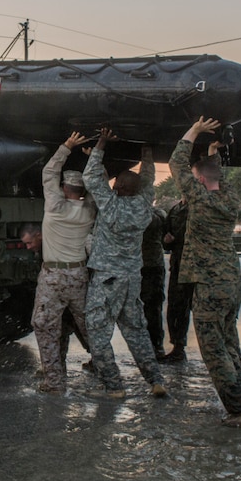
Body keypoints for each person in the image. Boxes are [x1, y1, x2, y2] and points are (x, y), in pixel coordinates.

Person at [169, 117, 241, 428]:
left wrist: (192, 131)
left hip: (209, 286)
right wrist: (212, 153)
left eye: (196, 178)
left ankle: (239, 410)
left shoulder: (201, 201)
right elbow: (214, 175)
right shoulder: (229, 199)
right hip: (232, 283)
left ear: (201, 183)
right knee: (230, 343)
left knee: (213, 350)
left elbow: (177, 164)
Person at [83, 127, 167, 399]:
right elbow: (148, 179)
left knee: (97, 333)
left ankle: (114, 386)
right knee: (137, 332)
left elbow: (90, 177)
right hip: (132, 280)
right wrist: (147, 151)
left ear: (118, 187)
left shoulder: (111, 206)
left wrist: (102, 143)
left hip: (107, 279)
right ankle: (155, 380)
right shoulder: (145, 207)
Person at [27, 133, 97, 393]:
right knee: (89, 326)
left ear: (65, 188)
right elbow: (95, 189)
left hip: (53, 277)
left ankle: (54, 381)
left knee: (45, 325)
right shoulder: (89, 209)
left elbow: (49, 172)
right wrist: (94, 161)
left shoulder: (55, 205)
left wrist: (66, 146)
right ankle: (106, 371)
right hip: (79, 275)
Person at [160, 198, 194, 363]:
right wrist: (166, 241)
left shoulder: (200, 207)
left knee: (205, 312)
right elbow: (166, 237)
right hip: (179, 265)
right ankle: (178, 347)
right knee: (176, 308)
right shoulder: (175, 209)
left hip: (196, 265)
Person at [141, 206, 168, 361]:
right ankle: (155, 346)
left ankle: (155, 346)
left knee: (151, 308)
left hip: (149, 266)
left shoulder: (155, 215)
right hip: (149, 265)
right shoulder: (159, 214)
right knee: (152, 309)